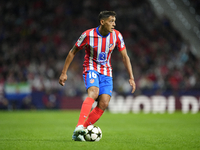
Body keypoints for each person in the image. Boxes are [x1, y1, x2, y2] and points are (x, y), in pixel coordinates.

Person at [59, 11, 136, 141]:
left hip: (106, 71)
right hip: (91, 68)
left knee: (104, 103)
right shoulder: (87, 35)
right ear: (102, 22)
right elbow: (72, 52)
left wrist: (131, 77)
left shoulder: (117, 36)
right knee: (94, 93)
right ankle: (79, 126)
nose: (114, 24)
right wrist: (64, 72)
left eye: (114, 21)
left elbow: (125, 57)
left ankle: (79, 132)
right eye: (111, 21)